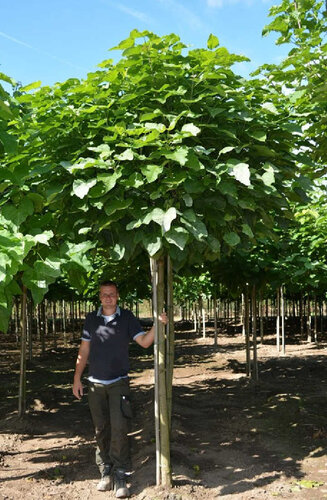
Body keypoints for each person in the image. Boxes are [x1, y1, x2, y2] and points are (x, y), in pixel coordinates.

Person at [72, 280, 167, 498]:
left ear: (118, 296)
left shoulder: (127, 318)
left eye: (112, 294)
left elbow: (144, 342)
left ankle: (121, 473)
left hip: (118, 382)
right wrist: (77, 378)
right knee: (100, 429)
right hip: (95, 383)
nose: (108, 298)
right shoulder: (91, 319)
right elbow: (83, 350)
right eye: (104, 294)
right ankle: (105, 469)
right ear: (99, 296)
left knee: (119, 427)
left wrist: (158, 324)